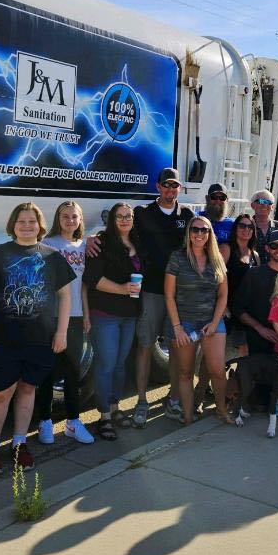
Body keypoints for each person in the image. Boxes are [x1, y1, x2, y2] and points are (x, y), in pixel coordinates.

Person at [87, 168, 195, 427]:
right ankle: (142, 402)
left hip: (178, 295)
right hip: (150, 292)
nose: (170, 190)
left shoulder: (188, 216)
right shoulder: (142, 214)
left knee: (175, 348)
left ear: (179, 189)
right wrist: (89, 239)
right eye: (166, 185)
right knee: (145, 346)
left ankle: (174, 400)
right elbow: (117, 231)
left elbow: (202, 242)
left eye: (175, 186)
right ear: (158, 187)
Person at [0, 203, 75, 475]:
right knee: (1, 392)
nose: (27, 226)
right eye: (22, 221)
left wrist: (61, 332)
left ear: (40, 225)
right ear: (13, 224)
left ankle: (19, 443)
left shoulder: (52, 257)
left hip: (39, 340)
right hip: (3, 340)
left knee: (28, 389)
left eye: (32, 221)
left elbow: (65, 295)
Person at [35, 201, 95, 446]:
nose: (70, 220)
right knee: (48, 370)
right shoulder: (48, 245)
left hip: (77, 316)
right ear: (57, 219)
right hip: (52, 316)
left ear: (80, 220)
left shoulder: (83, 247)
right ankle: (45, 422)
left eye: (74, 216)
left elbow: (83, 286)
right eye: (65, 216)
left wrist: (87, 315)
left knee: (73, 371)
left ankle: (73, 421)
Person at [83, 203, 142, 441]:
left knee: (120, 363)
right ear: (112, 219)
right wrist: (120, 288)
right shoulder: (102, 242)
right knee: (106, 364)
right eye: (120, 216)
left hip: (130, 314)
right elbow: (92, 278)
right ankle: (104, 416)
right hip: (105, 314)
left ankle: (116, 408)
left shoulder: (138, 242)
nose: (124, 220)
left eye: (128, 216)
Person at [164, 215, 230, 425]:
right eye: (195, 229)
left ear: (210, 234)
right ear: (189, 233)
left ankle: (221, 409)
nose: (199, 234)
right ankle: (187, 416)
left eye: (204, 230)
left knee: (218, 371)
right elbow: (169, 295)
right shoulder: (178, 258)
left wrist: (215, 322)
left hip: (212, 321)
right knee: (185, 373)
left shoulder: (217, 258)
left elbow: (222, 295)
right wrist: (177, 328)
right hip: (185, 323)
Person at [233, 229, 278, 357]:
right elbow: (237, 307)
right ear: (267, 248)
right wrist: (259, 328)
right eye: (274, 246)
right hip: (258, 341)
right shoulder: (254, 274)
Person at [218, 212, 260, 358]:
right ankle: (203, 382)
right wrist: (223, 307)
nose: (246, 229)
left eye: (250, 226)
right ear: (235, 228)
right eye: (242, 225)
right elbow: (215, 279)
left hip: (244, 313)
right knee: (216, 353)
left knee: (244, 353)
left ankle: (239, 380)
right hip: (225, 310)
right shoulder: (226, 248)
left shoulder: (255, 256)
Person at [249, 189, 278, 260]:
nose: (264, 205)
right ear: (252, 205)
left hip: (274, 270)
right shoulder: (245, 226)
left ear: (272, 207)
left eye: (268, 202)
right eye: (260, 201)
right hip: (251, 270)